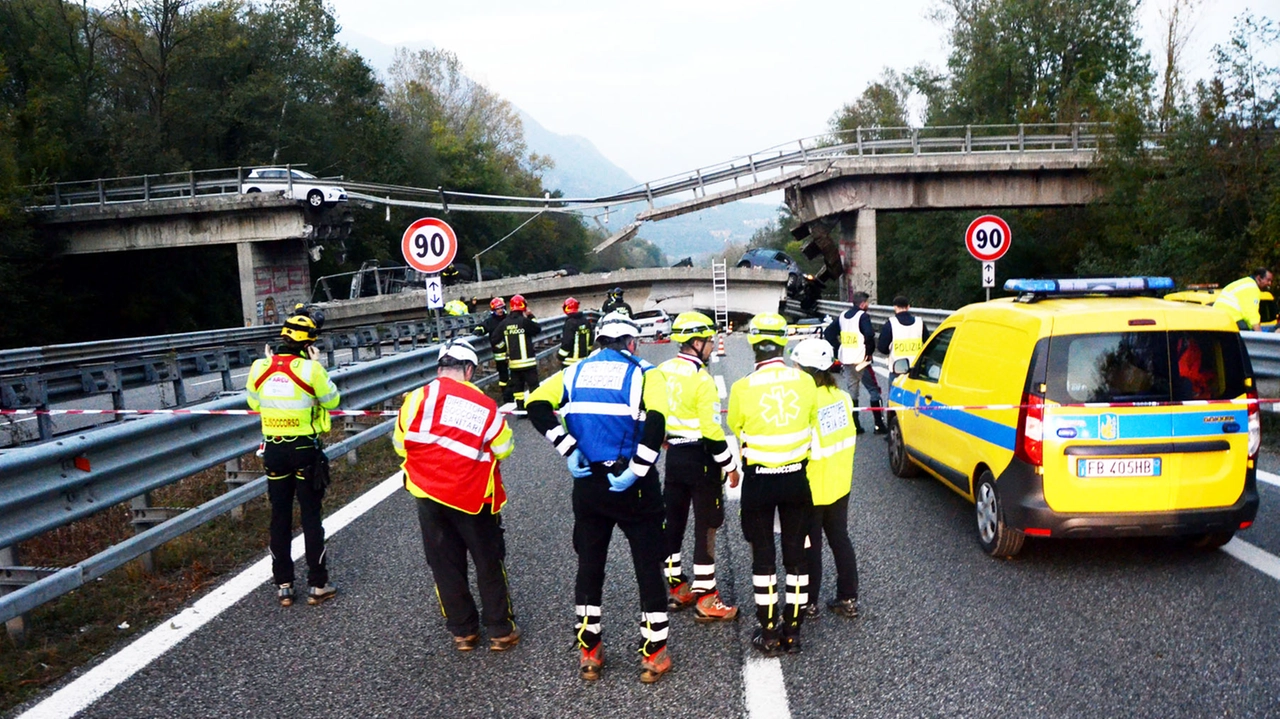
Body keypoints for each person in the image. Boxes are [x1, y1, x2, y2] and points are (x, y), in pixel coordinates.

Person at [526, 312, 672, 684]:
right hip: (633, 483)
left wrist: (566, 447)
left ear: (598, 341)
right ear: (631, 343)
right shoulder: (644, 373)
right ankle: (654, 654)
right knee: (647, 564)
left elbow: (536, 405)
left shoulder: (573, 373)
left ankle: (589, 651)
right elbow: (657, 422)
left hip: (588, 481)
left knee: (590, 565)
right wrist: (638, 469)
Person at [392, 339, 520, 652]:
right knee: (488, 561)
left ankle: (463, 632)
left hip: (427, 494)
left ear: (440, 367)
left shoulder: (416, 398)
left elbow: (399, 444)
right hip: (473, 496)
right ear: (468, 370)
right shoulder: (484, 404)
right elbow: (503, 448)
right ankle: (500, 630)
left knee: (444, 564)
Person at [727, 312, 818, 656]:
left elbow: (737, 428)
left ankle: (767, 632)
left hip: (759, 482)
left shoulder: (741, 388)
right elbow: (813, 424)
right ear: (784, 341)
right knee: (796, 557)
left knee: (763, 558)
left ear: (752, 344)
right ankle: (793, 631)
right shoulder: (805, 382)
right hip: (796, 479)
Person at [246, 311, 341, 607]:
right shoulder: (311, 370)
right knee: (311, 516)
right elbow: (333, 401)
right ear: (310, 343)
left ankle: (284, 586)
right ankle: (318, 584)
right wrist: (317, 366)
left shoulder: (259, 367)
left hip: (273, 450)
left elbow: (252, 402)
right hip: (304, 451)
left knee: (280, 517)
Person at [656, 312, 740, 622]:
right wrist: (730, 466)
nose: (710, 347)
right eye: (707, 341)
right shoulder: (701, 379)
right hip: (701, 459)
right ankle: (707, 597)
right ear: (695, 342)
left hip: (674, 456)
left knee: (673, 520)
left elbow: (652, 410)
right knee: (706, 525)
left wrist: (663, 436)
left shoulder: (662, 371)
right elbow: (712, 431)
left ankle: (677, 586)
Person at [790, 338, 860, 621]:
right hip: (840, 482)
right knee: (840, 539)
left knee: (811, 547)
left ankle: (809, 602)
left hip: (812, 485)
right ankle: (848, 597)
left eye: (796, 365)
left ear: (806, 370)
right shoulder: (842, 398)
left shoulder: (805, 401)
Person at [824, 291, 886, 435]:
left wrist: (838, 348)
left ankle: (855, 426)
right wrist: (869, 352)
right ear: (863, 303)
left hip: (846, 360)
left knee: (853, 393)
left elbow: (828, 333)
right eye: (867, 303)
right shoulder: (863, 316)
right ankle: (879, 425)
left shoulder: (843, 316)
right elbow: (869, 334)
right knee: (874, 390)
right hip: (861, 361)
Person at [494, 294, 540, 413]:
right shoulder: (524, 321)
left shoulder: (504, 323)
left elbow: (495, 339)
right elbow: (537, 329)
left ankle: (520, 409)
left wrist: (504, 349)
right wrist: (531, 315)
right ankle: (535, 409)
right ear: (523, 306)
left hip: (514, 364)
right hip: (528, 363)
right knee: (533, 386)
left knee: (518, 388)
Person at [877, 295, 927, 382]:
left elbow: (882, 347)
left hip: (897, 370)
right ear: (908, 307)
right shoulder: (920, 323)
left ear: (895, 307)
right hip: (916, 370)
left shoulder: (890, 324)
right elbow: (928, 343)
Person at [475, 297, 513, 406]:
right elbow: (483, 327)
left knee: (514, 375)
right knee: (503, 376)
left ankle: (514, 392)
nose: (500, 310)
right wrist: (478, 330)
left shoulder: (509, 318)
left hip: (512, 352)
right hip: (500, 354)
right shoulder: (490, 321)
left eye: (501, 308)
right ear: (493, 310)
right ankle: (506, 396)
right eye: (498, 309)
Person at [558, 297, 594, 367]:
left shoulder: (570, 323)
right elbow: (591, 340)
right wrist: (587, 353)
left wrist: (560, 357)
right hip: (584, 361)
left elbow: (567, 342)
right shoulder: (586, 321)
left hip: (570, 363)